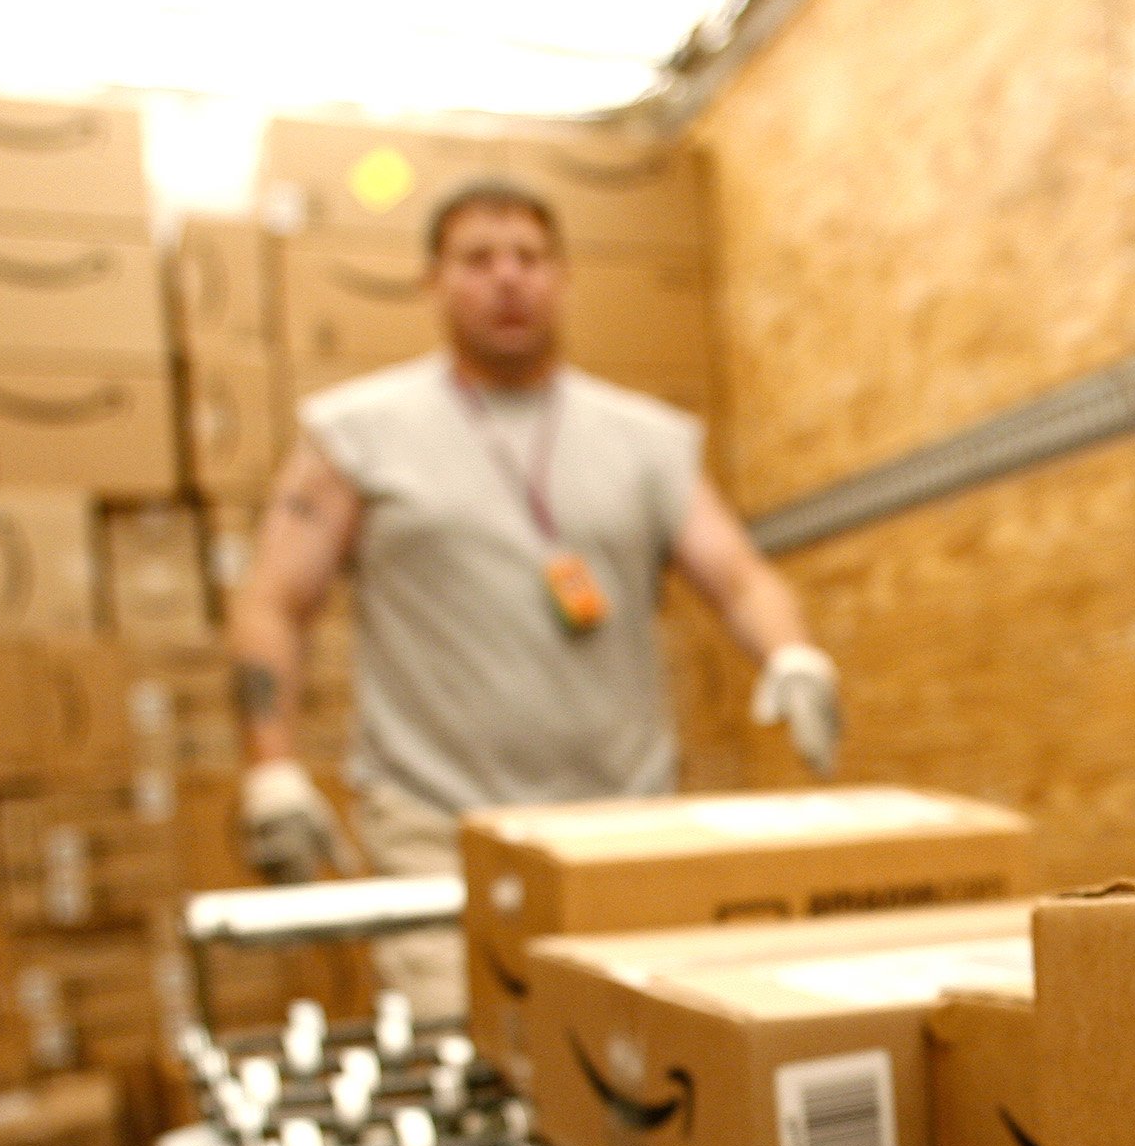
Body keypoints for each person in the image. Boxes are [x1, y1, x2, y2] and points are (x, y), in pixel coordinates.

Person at [224, 178, 839, 1017]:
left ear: (564, 277)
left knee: (635, 1051)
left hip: (627, 832)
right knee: (476, 1061)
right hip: (443, 837)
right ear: (432, 281)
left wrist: (793, 656)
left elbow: (739, 575)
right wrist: (272, 772)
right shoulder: (358, 435)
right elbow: (273, 603)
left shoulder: (645, 441)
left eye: (529, 257)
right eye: (478, 259)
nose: (508, 277)